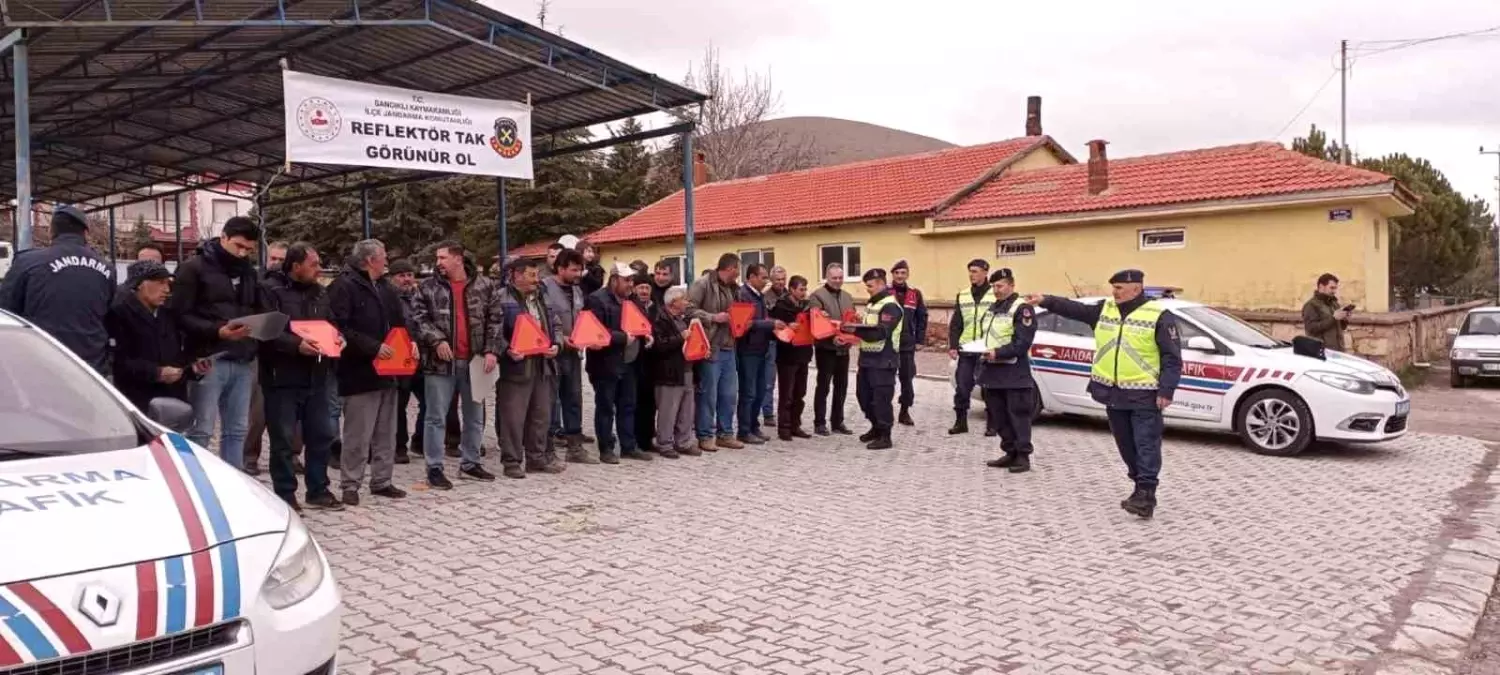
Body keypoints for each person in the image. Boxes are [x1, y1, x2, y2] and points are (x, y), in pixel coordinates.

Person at [1025, 269, 1182, 519]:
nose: (1114, 292)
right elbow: (1073, 309)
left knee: (1146, 444)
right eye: (1114, 287)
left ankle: (1146, 494)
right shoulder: (1105, 309)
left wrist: (1167, 389)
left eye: (1119, 288)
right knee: (1126, 446)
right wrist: (1045, 300)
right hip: (1113, 392)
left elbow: (1172, 357)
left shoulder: (1159, 315)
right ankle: (1139, 486)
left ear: (1136, 288)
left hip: (1145, 394)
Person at [169, 216, 265, 468]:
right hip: (207, 358)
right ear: (223, 237)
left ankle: (235, 479)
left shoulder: (248, 273)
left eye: (248, 249)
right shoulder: (193, 268)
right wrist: (216, 331)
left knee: (237, 430)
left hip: (242, 358)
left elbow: (254, 306)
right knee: (201, 428)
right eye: (238, 246)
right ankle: (196, 480)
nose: (242, 253)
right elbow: (179, 315)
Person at [259, 242, 343, 512]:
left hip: (317, 376)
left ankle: (318, 490)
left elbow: (329, 323)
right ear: (296, 266)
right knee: (283, 440)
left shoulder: (320, 293)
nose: (318, 269)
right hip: (281, 377)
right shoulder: (270, 290)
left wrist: (337, 338)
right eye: (313, 264)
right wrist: (296, 345)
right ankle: (285, 495)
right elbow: (267, 332)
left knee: (321, 435)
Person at [411, 240, 501, 489]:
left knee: (475, 416)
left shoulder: (485, 286)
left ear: (458, 259)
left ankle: (470, 463)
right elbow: (418, 318)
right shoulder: (427, 287)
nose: (438, 263)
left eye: (442, 258)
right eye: (437, 258)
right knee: (435, 416)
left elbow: (495, 319)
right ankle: (435, 467)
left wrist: (492, 350)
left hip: (476, 361)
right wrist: (436, 339)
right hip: (440, 363)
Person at [328, 239, 409, 505]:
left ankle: (382, 481)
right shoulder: (344, 286)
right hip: (359, 372)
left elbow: (401, 323)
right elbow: (339, 327)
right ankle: (351, 484)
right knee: (358, 433)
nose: (387, 259)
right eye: (384, 255)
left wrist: (412, 344)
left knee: (386, 431)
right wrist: (373, 347)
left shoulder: (386, 288)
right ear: (370, 259)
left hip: (390, 370)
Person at [0, 205, 114, 372]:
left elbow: (6, 311)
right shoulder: (107, 268)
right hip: (91, 369)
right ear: (85, 234)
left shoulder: (28, 262)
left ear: (51, 232)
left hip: (42, 361)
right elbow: (108, 312)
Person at [493, 258, 565, 478]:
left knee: (541, 415)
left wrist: (557, 345)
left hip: (543, 365)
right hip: (515, 368)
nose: (537, 280)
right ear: (516, 275)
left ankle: (536, 458)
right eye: (532, 275)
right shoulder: (501, 298)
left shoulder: (543, 297)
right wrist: (507, 350)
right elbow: (492, 331)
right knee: (513, 417)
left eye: (537, 275)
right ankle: (512, 461)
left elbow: (557, 325)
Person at [105, 261, 208, 410]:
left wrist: (193, 369)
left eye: (168, 284)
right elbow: (117, 362)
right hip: (138, 402)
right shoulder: (119, 314)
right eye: (160, 283)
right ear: (140, 284)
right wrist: (157, 373)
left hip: (173, 402)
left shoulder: (169, 313)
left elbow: (176, 356)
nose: (167, 290)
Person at [584, 262, 653, 463]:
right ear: (614, 280)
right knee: (606, 407)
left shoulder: (630, 300)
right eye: (626, 280)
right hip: (605, 363)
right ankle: (606, 448)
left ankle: (628, 446)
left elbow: (640, 322)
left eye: (632, 280)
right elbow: (595, 330)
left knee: (628, 405)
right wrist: (623, 338)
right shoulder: (597, 299)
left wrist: (645, 334)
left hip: (629, 361)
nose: (630, 284)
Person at [977, 268, 1037, 473]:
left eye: (1000, 286)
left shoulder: (1023, 309)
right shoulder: (994, 307)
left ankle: (1022, 456)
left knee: (1018, 416)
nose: (996, 290)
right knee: (999, 416)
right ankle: (1009, 451)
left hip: (1014, 373)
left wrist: (998, 352)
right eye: (993, 286)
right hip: (992, 372)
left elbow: (1022, 343)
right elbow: (988, 335)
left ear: (1012, 285)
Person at [842, 268, 903, 450]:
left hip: (884, 361)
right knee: (864, 397)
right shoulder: (872, 304)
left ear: (881, 284)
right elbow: (866, 329)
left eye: (869, 286)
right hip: (867, 360)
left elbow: (882, 331)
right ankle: (875, 427)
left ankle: (885, 435)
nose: (867, 289)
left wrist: (855, 329)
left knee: (881, 400)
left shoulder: (890, 306)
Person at [542, 248, 594, 461]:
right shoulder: (544, 288)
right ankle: (545, 449)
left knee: (574, 399)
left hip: (574, 354)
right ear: (560, 268)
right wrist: (561, 339)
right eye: (573, 270)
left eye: (580, 270)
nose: (577, 274)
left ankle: (575, 447)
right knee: (548, 401)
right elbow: (541, 321)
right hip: (553, 354)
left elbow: (581, 319)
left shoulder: (577, 291)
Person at [244, 239, 290, 476]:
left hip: (288, 356)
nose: (277, 264)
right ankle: (249, 457)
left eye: (282, 260)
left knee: (288, 416)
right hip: (260, 354)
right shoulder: (257, 284)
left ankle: (290, 457)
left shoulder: (293, 288)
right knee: (257, 413)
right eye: (274, 258)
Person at [687, 253, 742, 451]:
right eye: (737, 269)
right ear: (731, 268)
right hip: (710, 347)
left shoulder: (733, 288)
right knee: (708, 394)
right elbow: (688, 309)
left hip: (729, 345)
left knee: (729, 394)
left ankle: (726, 433)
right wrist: (712, 317)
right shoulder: (702, 284)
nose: (738, 274)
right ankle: (705, 435)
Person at [948, 258, 997, 437]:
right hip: (967, 347)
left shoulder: (995, 294)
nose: (972, 275)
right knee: (962, 387)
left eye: (975, 271)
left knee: (989, 388)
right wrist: (953, 345)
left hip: (987, 348)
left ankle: (993, 424)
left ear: (985, 272)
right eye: (970, 271)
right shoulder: (963, 295)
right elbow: (956, 323)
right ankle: (960, 422)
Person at [649, 286, 700, 458]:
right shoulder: (659, 319)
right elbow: (659, 346)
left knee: (687, 409)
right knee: (668, 411)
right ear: (673, 302)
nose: (687, 302)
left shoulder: (683, 318)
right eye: (684, 299)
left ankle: (684, 442)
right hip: (668, 372)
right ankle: (664, 443)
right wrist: (680, 338)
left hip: (686, 369)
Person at [735, 263, 783, 445]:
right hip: (748, 350)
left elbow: (761, 320)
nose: (766, 281)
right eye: (763, 277)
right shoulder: (743, 295)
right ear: (752, 277)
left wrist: (774, 326)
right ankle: (744, 430)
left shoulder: (759, 295)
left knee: (760, 390)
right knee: (748, 392)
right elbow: (746, 323)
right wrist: (771, 324)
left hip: (762, 348)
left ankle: (754, 426)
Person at [809, 263, 855, 436]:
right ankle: (819, 422)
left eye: (840, 278)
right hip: (826, 348)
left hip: (844, 348)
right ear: (827, 277)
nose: (838, 281)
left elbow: (851, 319)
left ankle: (838, 421)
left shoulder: (848, 296)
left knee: (841, 386)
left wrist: (851, 335)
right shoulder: (817, 296)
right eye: (834, 278)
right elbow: (817, 323)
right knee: (823, 386)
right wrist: (831, 337)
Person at [768, 275, 813, 441]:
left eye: (805, 289)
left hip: (803, 353)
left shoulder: (806, 306)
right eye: (801, 289)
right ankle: (784, 427)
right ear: (792, 289)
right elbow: (773, 329)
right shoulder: (781, 306)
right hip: (787, 355)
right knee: (786, 393)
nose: (804, 292)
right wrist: (787, 325)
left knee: (800, 393)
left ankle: (796, 424)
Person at [389, 259, 425, 464]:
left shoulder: (420, 297)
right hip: (400, 358)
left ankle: (420, 440)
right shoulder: (389, 299)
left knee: (428, 402)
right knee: (399, 404)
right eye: (401, 275)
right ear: (392, 278)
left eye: (409, 274)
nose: (407, 279)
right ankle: (399, 446)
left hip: (422, 358)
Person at [889, 259, 928, 426]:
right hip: (888, 344)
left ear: (907, 274)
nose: (900, 276)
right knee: (886, 380)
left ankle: (904, 411)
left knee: (907, 378)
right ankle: (885, 411)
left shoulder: (914, 293)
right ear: (893, 274)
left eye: (903, 273)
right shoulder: (885, 292)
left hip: (906, 343)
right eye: (897, 273)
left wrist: (919, 339)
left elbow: (922, 317)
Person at [632, 273, 660, 453]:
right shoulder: (630, 307)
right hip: (634, 361)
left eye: (647, 288)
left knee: (650, 403)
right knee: (634, 402)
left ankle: (648, 438)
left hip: (652, 362)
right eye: (640, 287)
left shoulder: (656, 309)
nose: (643, 291)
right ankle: (633, 439)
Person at [761, 265, 788, 427]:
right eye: (777, 279)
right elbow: (763, 318)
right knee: (769, 380)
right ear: (771, 280)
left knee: (786, 379)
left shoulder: (789, 295)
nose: (780, 282)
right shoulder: (765, 297)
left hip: (787, 342)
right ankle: (768, 413)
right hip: (771, 341)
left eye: (783, 279)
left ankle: (785, 412)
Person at [1302, 272, 1349, 352]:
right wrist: (1333, 318)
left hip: (1339, 350)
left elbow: (1342, 327)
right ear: (1321, 287)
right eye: (1332, 288)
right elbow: (1311, 329)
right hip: (1322, 351)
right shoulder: (1311, 305)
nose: (1334, 291)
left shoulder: (1334, 303)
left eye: (1335, 288)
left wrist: (1344, 318)